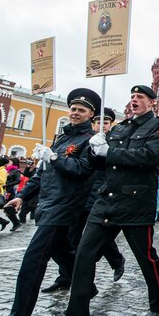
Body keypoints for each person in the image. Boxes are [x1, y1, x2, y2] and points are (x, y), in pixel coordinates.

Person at [37, 85, 159, 316]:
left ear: (152, 103)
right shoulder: (119, 128)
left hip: (135, 203)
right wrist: (94, 149)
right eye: (132, 97)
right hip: (106, 201)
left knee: (146, 258)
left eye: (140, 97)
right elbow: (100, 164)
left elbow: (149, 157)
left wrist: (110, 152)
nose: (134, 100)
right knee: (83, 257)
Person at [0, 89, 101, 316]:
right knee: (61, 252)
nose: (75, 113)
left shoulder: (91, 140)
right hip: (46, 205)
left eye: (81, 110)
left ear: (91, 114)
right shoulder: (61, 138)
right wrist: (22, 196)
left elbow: (81, 170)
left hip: (65, 206)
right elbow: (42, 174)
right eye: (73, 108)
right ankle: (85, 284)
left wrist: (54, 157)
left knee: (32, 262)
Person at [42, 107, 126, 294]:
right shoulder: (85, 139)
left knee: (99, 237)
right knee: (70, 238)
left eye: (105, 122)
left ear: (110, 125)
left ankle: (116, 260)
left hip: (99, 195)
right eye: (98, 122)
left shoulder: (113, 142)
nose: (101, 125)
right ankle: (65, 277)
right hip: (79, 196)